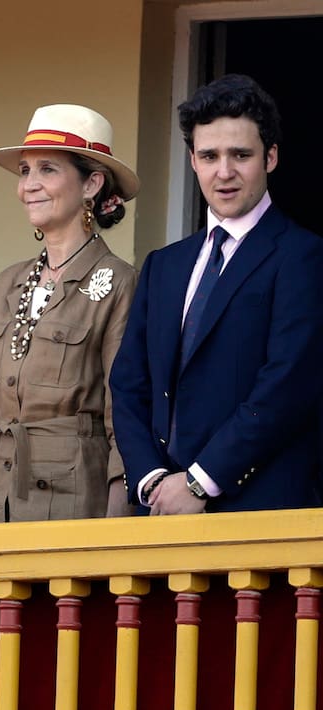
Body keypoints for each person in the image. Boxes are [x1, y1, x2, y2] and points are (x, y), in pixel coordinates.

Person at [110, 74, 323, 514]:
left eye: (240, 155)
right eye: (209, 156)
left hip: (261, 513)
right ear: (192, 160)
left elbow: (287, 387)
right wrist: (152, 480)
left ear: (271, 157)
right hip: (161, 511)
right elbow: (129, 383)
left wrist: (199, 482)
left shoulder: (304, 255)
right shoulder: (163, 266)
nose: (223, 172)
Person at [0, 105, 140, 522]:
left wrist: (116, 525)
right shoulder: (6, 283)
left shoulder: (119, 280)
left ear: (92, 183)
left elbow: (123, 414)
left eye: (48, 170)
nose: (30, 185)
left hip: (72, 505)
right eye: (25, 171)